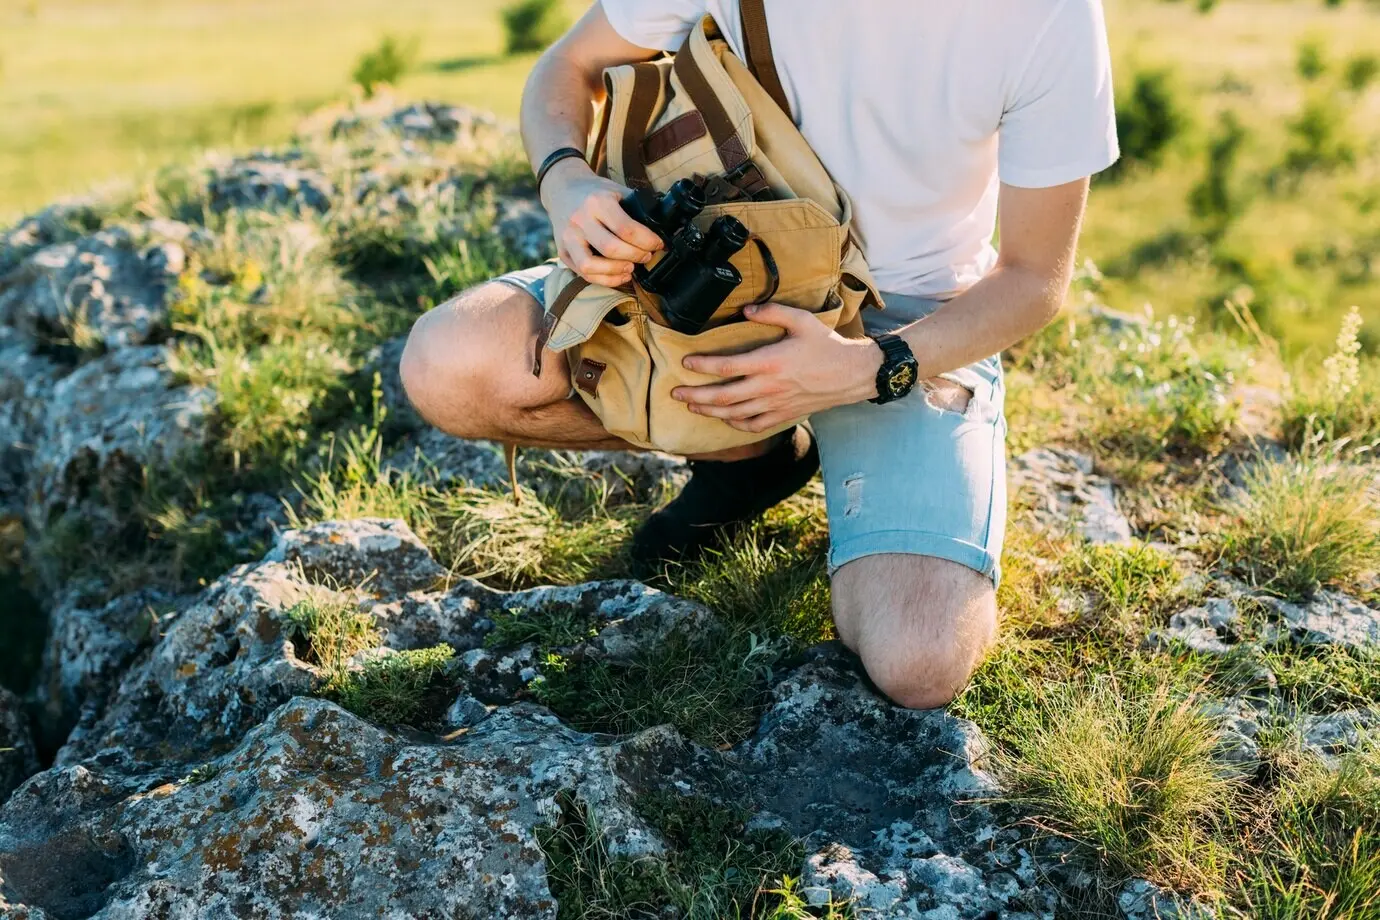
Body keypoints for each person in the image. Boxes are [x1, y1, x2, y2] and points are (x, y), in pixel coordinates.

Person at [399, 0, 1119, 709]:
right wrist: (567, 180)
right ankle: (753, 455)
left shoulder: (1048, 14)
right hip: (725, 273)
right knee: (448, 367)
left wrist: (869, 369)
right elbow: (570, 64)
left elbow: (1033, 279)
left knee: (919, 657)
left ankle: (824, 443)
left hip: (907, 325)